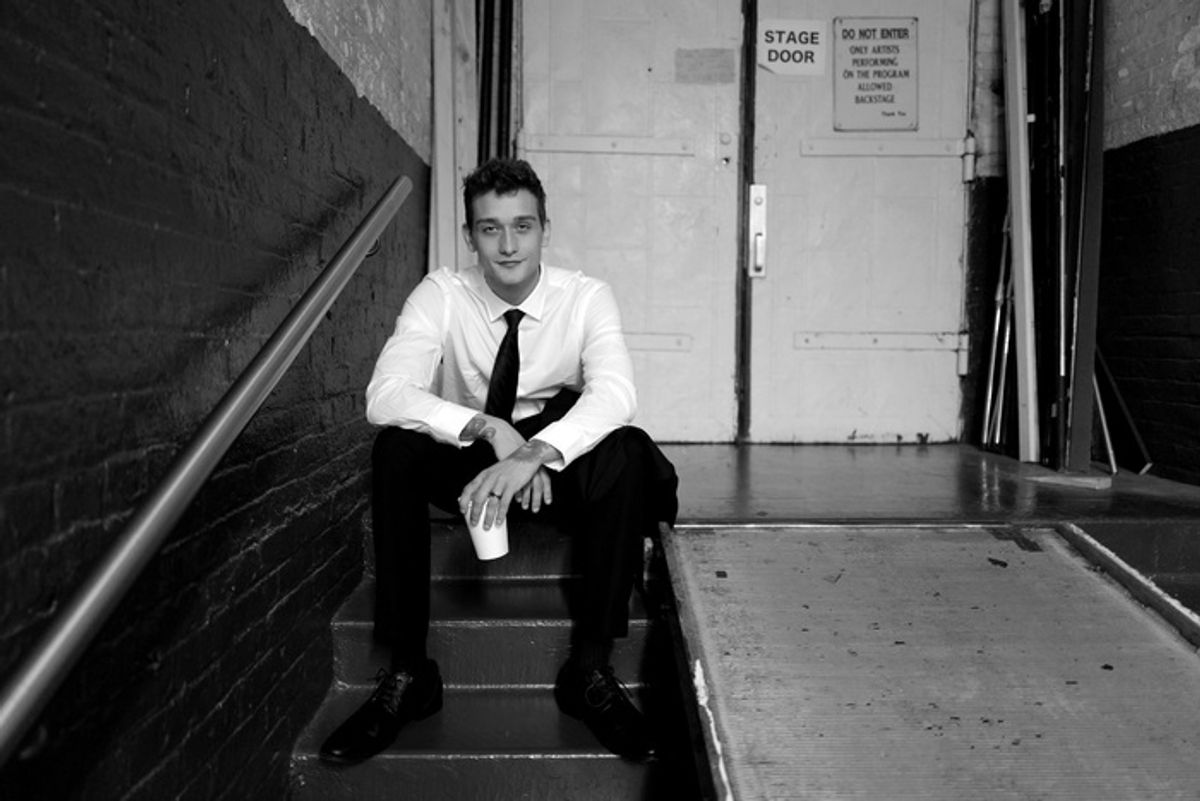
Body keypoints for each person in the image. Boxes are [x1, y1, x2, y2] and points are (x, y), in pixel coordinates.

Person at [319, 158, 678, 765]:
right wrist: (489, 429)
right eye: (490, 229)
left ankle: (589, 670)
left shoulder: (586, 297)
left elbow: (614, 393)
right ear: (470, 236)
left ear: (544, 228)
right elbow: (384, 395)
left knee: (626, 448)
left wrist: (535, 454)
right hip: (474, 451)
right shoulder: (441, 293)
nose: (508, 246)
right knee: (395, 449)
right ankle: (410, 674)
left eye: (523, 226)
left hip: (550, 456)